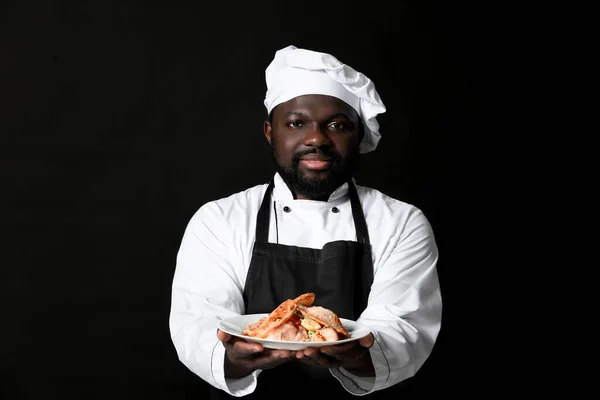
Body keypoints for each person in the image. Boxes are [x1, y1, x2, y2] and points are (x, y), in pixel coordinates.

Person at [169, 45, 442, 399]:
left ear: (358, 135)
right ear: (271, 132)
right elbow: (198, 325)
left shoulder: (401, 222)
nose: (317, 139)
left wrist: (358, 354)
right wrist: (236, 358)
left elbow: (406, 329)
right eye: (297, 123)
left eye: (337, 125)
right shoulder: (219, 220)